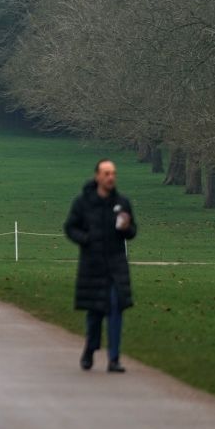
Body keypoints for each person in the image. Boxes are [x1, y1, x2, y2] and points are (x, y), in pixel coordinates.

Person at [64, 159, 137, 374]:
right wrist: (86, 239)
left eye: (113, 173)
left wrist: (126, 228)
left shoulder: (122, 203)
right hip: (93, 265)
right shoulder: (83, 202)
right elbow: (70, 227)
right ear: (97, 176)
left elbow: (133, 231)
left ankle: (114, 358)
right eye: (106, 173)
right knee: (95, 312)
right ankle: (90, 348)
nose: (110, 177)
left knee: (116, 308)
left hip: (115, 265)